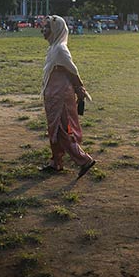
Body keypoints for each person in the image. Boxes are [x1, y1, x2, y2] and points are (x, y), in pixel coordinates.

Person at [39, 15, 97, 178]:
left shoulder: (60, 49)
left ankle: (84, 160)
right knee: (54, 129)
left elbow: (73, 72)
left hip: (61, 96)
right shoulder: (53, 47)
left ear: (56, 30)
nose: (43, 31)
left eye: (47, 28)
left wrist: (80, 90)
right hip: (53, 94)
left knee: (62, 130)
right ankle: (56, 162)